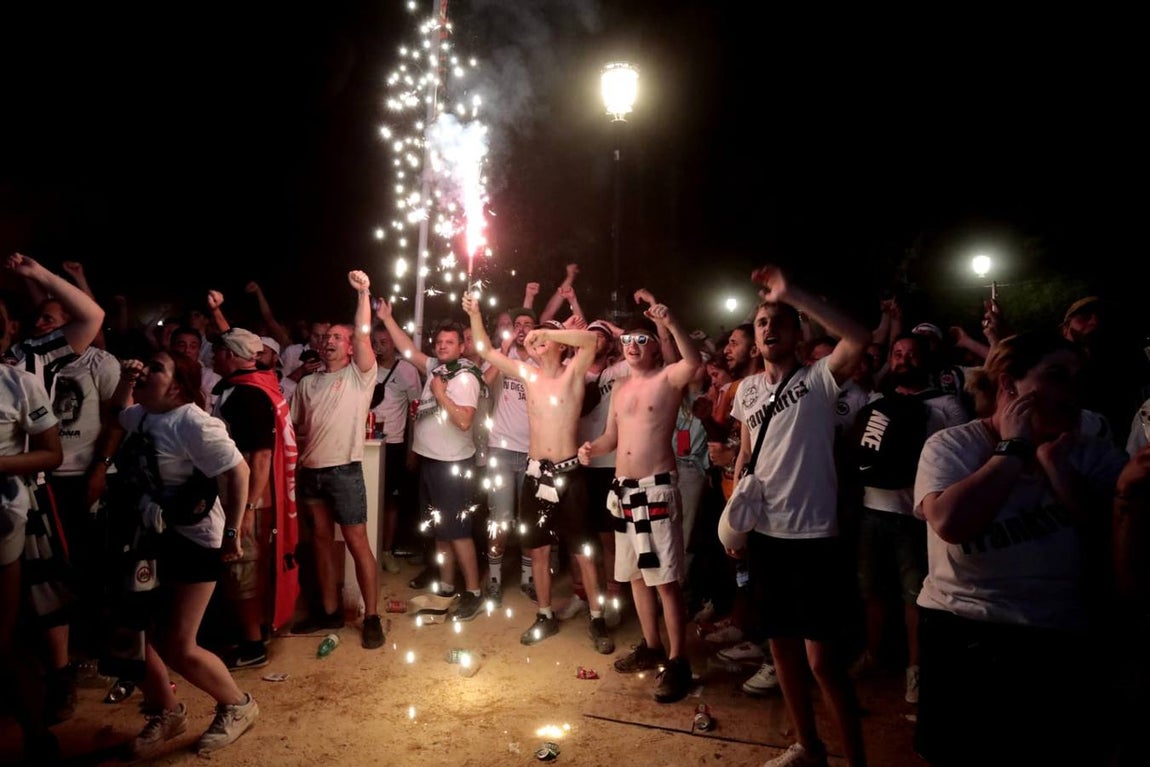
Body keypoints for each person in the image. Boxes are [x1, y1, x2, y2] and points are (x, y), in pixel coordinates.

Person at [912, 330, 1127, 767]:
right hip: (964, 628)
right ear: (1009, 385)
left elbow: (1115, 545)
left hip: (1058, 632)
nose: (1072, 389)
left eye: (1077, 377)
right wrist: (1013, 449)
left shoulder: (1091, 454)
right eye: (1055, 375)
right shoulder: (954, 445)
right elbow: (951, 523)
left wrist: (1059, 474)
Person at [718, 265, 870, 767]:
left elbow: (858, 336)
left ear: (798, 332)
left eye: (779, 320)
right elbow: (746, 457)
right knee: (780, 648)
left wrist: (794, 294)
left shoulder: (820, 379)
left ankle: (856, 759)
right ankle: (808, 746)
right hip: (765, 535)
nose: (768, 328)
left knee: (824, 662)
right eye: (761, 322)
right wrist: (733, 519)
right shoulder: (746, 392)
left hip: (815, 536)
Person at [109, 351, 258, 757]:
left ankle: (239, 705)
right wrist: (127, 380)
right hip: (152, 534)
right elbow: (117, 412)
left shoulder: (194, 422)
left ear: (176, 386)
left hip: (194, 538)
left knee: (179, 643)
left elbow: (239, 470)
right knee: (136, 635)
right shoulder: (143, 414)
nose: (144, 371)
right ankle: (168, 711)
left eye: (155, 367)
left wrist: (233, 531)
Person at [463, 294, 615, 652]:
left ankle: (597, 618)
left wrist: (553, 334)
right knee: (539, 549)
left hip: (569, 475)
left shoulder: (574, 374)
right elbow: (485, 350)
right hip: (535, 475)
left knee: (583, 552)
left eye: (546, 339)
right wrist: (474, 313)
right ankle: (545, 614)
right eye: (537, 337)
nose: (537, 342)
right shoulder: (528, 374)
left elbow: (592, 341)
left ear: (560, 347)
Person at [580, 292, 702, 703]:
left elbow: (694, 362)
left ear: (655, 346)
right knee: (633, 574)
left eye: (642, 339)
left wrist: (670, 322)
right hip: (622, 493)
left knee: (665, 580)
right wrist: (591, 449)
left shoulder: (668, 379)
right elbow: (612, 437)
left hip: (655, 491)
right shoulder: (619, 388)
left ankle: (678, 660)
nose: (633, 346)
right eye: (628, 339)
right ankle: (651, 646)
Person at [848, 333, 966, 703]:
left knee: (914, 596)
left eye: (911, 355)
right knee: (871, 590)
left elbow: (960, 460)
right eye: (897, 354)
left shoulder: (947, 404)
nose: (902, 360)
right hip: (871, 508)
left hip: (915, 517)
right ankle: (873, 654)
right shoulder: (877, 401)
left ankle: (915, 669)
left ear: (925, 359)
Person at [289, 271, 384, 649]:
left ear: (350, 348)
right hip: (311, 474)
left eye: (338, 338)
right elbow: (295, 430)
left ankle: (372, 615)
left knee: (357, 543)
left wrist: (363, 293)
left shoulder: (360, 376)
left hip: (344, 472)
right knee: (322, 544)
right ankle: (327, 611)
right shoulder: (307, 384)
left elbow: (363, 333)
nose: (330, 341)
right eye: (326, 337)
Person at [375, 299, 486, 622]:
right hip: (431, 461)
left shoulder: (464, 377)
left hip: (452, 464)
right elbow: (408, 350)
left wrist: (439, 394)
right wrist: (388, 318)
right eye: (439, 342)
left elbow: (465, 421)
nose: (442, 346)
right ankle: (447, 586)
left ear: (462, 346)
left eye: (449, 342)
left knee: (459, 531)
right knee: (441, 530)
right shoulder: (437, 368)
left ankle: (474, 592)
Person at [212, 327, 300, 668]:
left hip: (248, 500)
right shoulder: (259, 386)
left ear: (231, 357)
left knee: (243, 571)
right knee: (248, 570)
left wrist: (246, 508)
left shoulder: (247, 395)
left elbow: (261, 457)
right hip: (253, 498)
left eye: (218, 352)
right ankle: (255, 632)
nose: (212, 357)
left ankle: (252, 646)